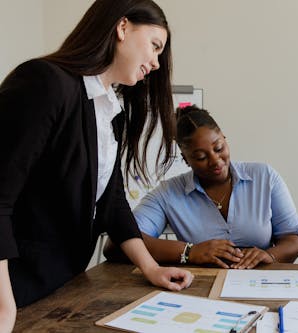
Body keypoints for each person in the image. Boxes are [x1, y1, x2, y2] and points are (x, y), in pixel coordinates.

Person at [0, 0, 194, 317]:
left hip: (63, 286)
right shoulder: (45, 82)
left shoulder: (107, 112)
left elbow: (111, 201)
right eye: (155, 46)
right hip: (13, 288)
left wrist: (151, 268)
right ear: (122, 27)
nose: (157, 63)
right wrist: (3, 304)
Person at [105, 105, 298, 269]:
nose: (215, 161)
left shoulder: (264, 177)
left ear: (225, 139)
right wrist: (189, 252)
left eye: (219, 148)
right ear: (185, 160)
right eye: (200, 157)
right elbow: (115, 245)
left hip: (261, 283)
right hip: (200, 289)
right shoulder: (169, 193)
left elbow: (295, 239)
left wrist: (269, 255)